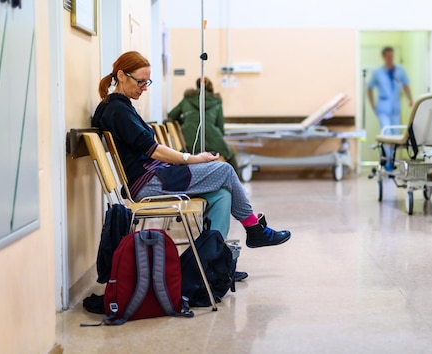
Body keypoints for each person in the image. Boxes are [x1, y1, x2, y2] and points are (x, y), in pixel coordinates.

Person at [92, 51, 291, 256]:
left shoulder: (120, 107)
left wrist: (186, 161)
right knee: (225, 169)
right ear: (122, 75)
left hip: (155, 176)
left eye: (147, 83)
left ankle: (212, 262)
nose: (144, 88)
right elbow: (152, 150)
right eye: (140, 82)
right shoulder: (118, 110)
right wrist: (192, 159)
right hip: (148, 184)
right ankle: (254, 229)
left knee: (222, 195)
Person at [168, 77, 239, 176]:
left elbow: (171, 115)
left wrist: (185, 122)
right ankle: (237, 182)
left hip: (190, 142)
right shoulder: (216, 102)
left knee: (183, 154)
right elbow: (220, 128)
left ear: (196, 86)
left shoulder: (187, 99)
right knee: (229, 154)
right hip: (214, 141)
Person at [367, 46, 414, 171]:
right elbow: (369, 88)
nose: (390, 58)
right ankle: (389, 162)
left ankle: (391, 159)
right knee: (387, 134)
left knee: (396, 135)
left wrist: (410, 99)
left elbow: (405, 85)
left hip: (395, 107)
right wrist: (373, 106)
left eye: (392, 56)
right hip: (383, 107)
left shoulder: (399, 70)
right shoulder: (378, 72)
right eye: (388, 56)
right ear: (383, 57)